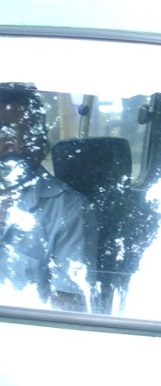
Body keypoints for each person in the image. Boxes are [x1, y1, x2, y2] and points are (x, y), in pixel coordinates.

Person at [0, 82, 94, 311]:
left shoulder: (69, 210)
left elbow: (68, 306)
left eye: (31, 133)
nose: (19, 145)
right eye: (5, 132)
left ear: (43, 143)